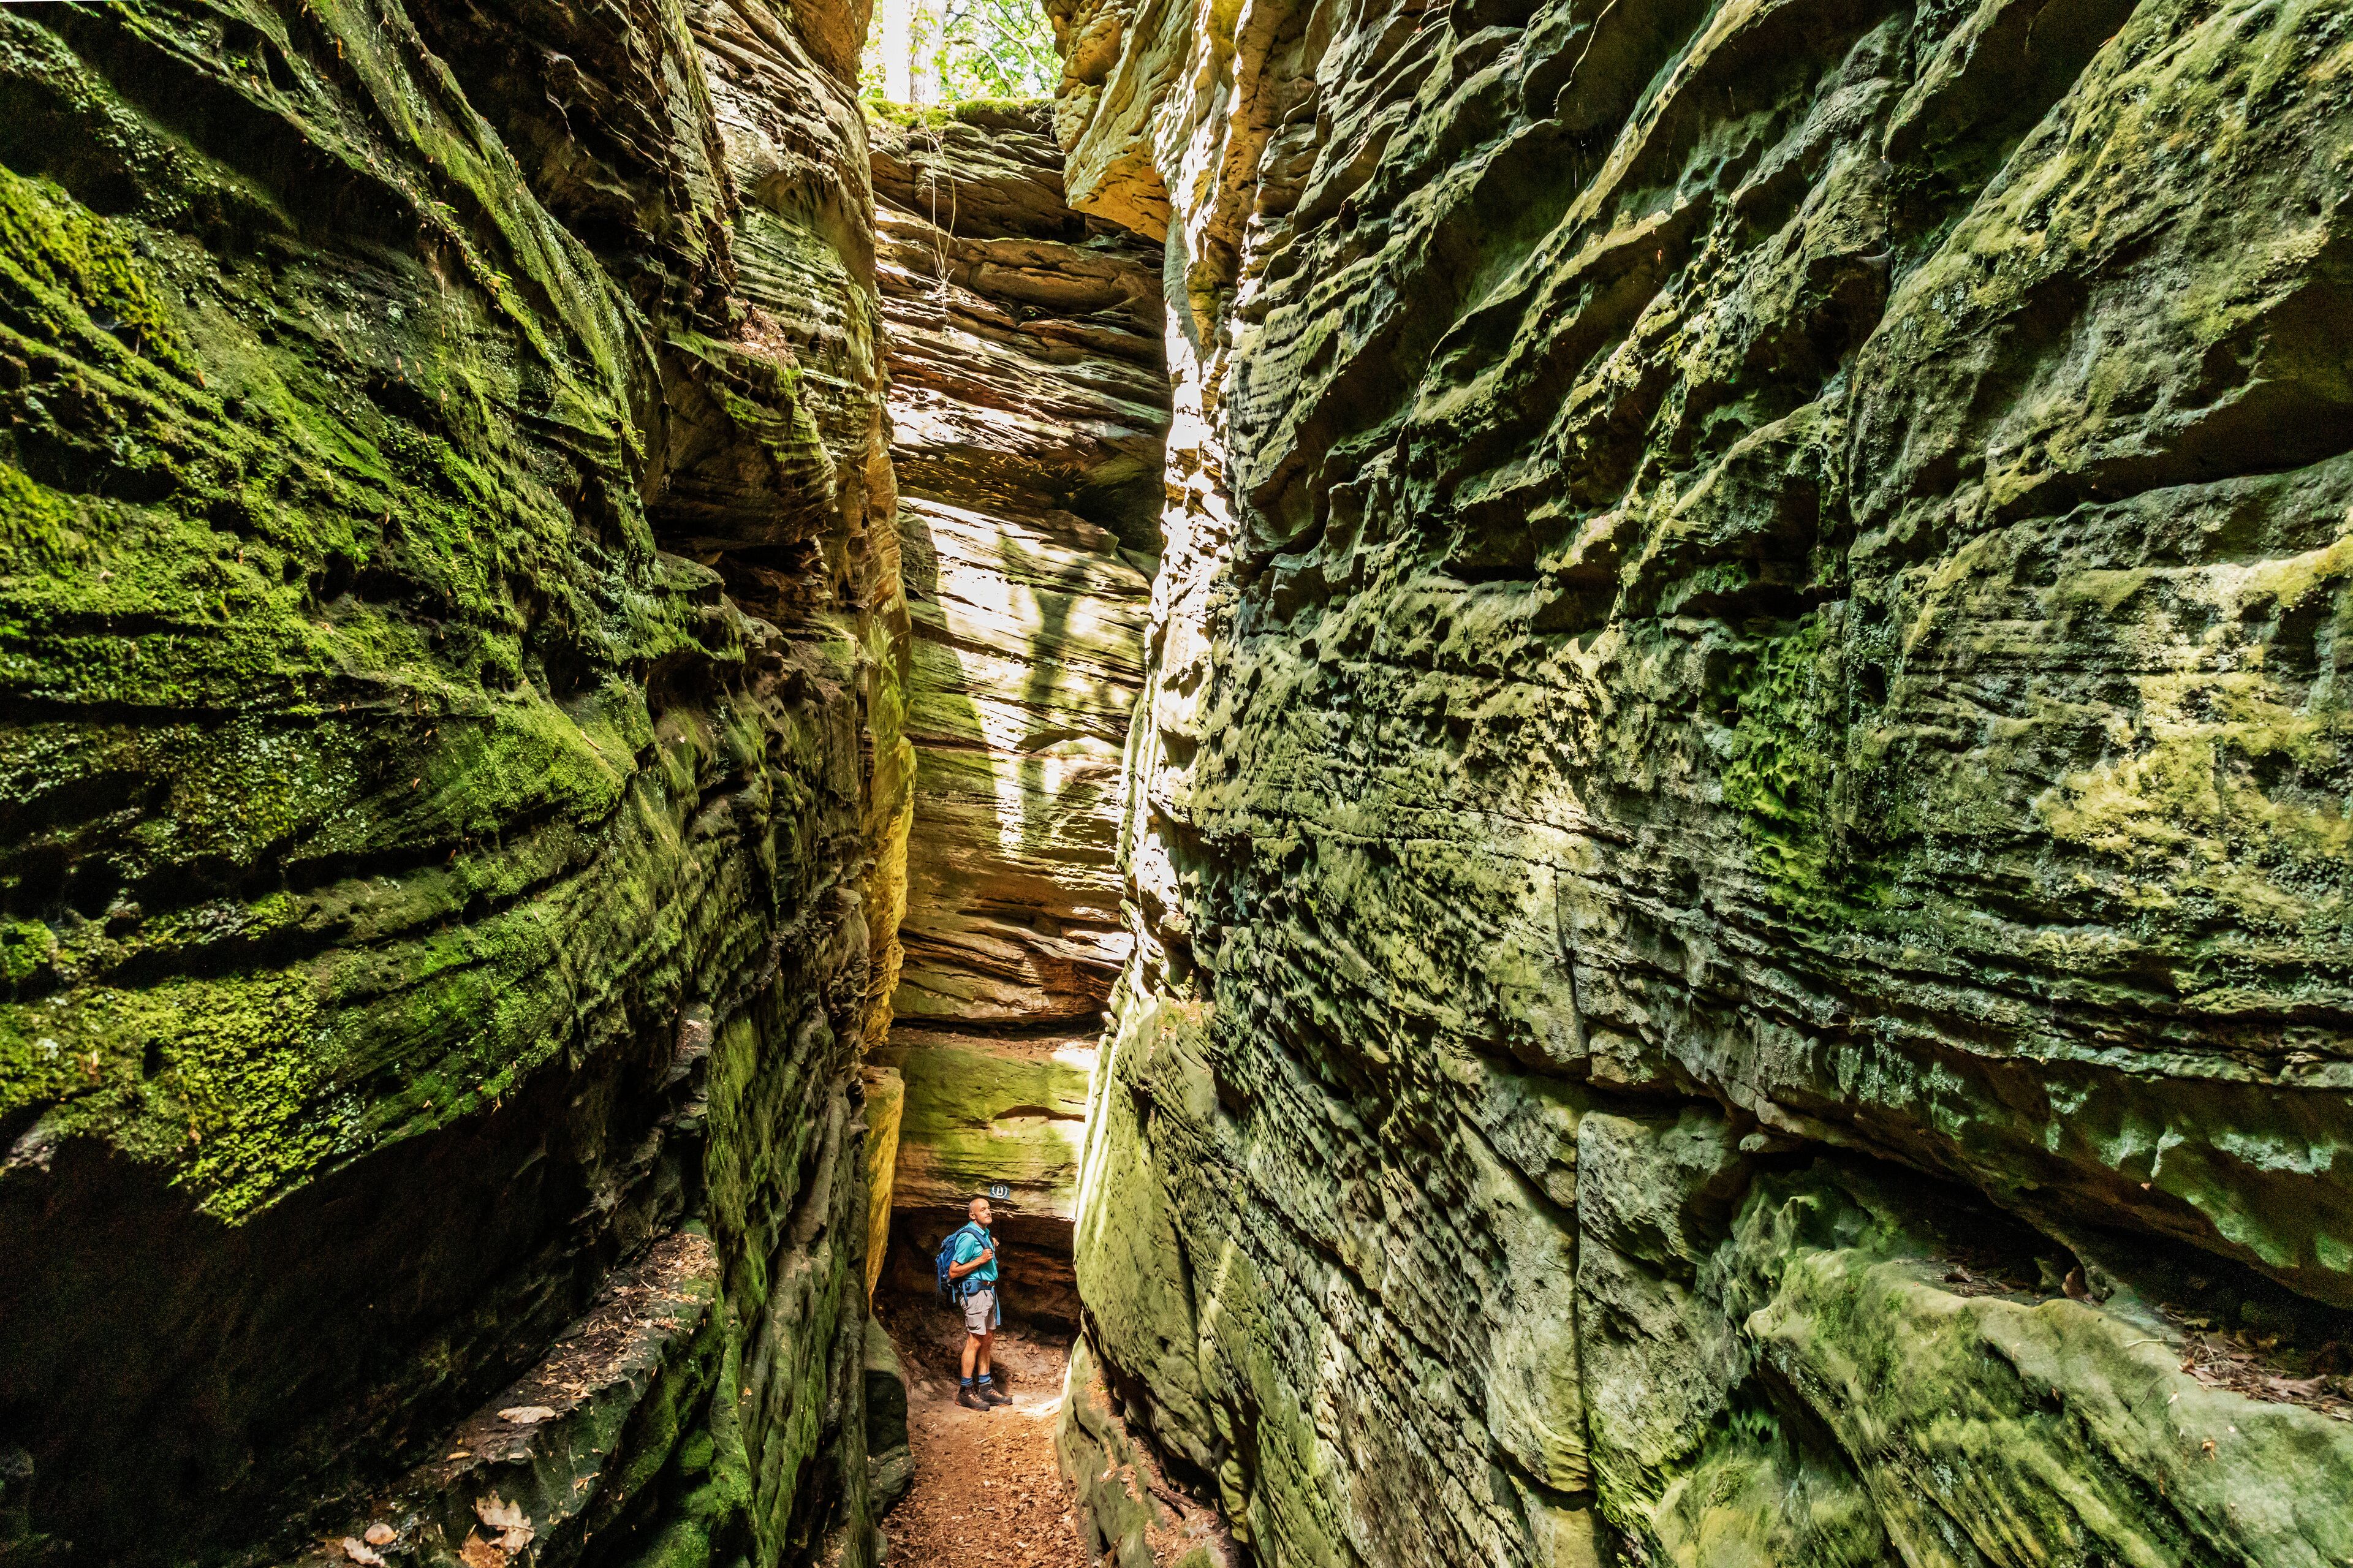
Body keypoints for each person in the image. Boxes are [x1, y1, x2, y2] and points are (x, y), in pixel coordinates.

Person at [945, 1196, 1010, 1411]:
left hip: (988, 1291)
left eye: (989, 1208)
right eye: (983, 1209)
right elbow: (953, 1271)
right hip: (975, 1293)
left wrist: (989, 1246)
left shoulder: (984, 1235)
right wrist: (981, 1260)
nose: (988, 1212)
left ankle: (985, 1387)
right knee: (974, 1340)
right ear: (972, 1215)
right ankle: (965, 1392)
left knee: (987, 1338)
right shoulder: (968, 1238)